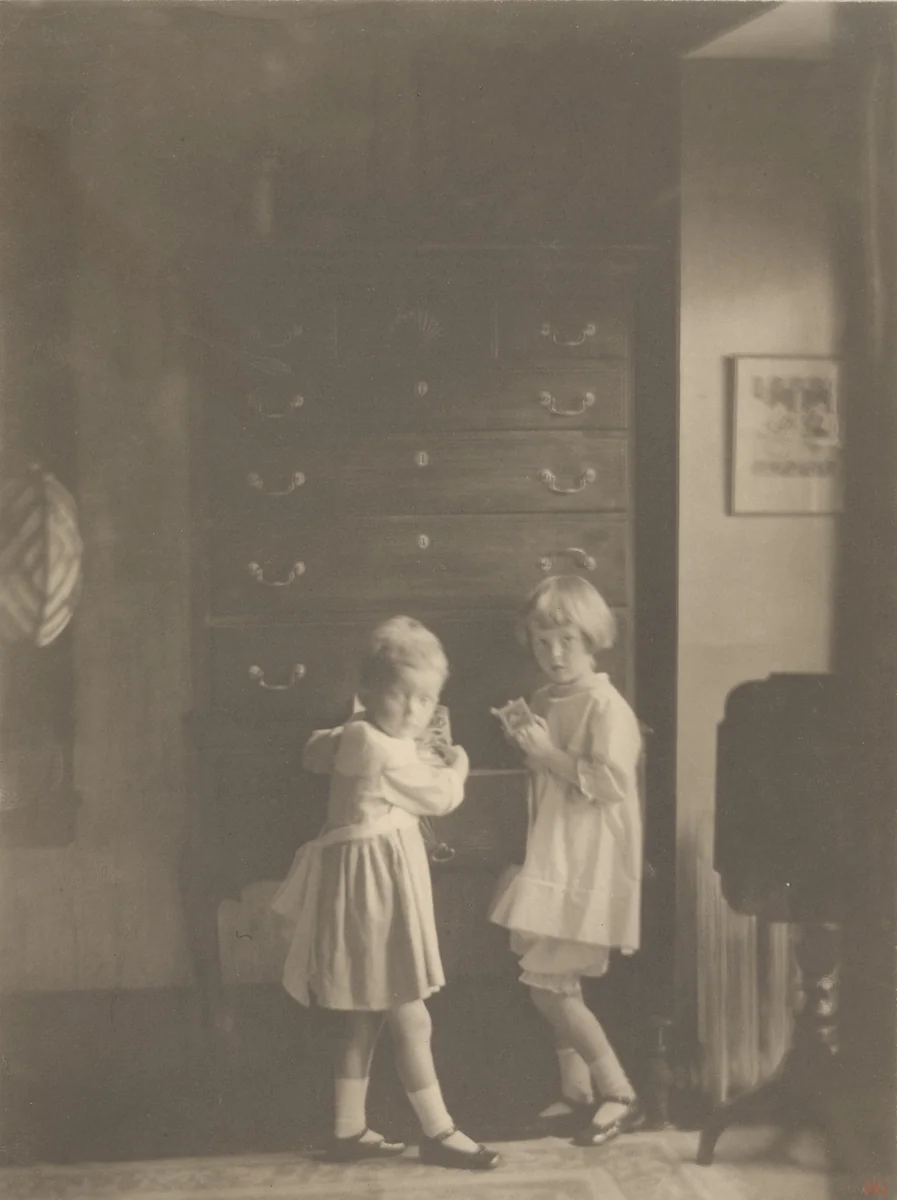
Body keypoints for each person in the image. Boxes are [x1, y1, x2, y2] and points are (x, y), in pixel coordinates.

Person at [272, 616, 501, 1171]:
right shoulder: (384, 750)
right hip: (377, 889)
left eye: (426, 700)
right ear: (369, 690)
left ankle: (347, 1128)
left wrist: (352, 729)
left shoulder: (354, 733)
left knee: (361, 1013)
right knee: (410, 1013)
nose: (414, 711)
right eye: (401, 695)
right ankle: (438, 1130)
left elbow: (314, 752)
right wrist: (460, 766)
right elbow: (440, 798)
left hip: (360, 885)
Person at [490, 575, 644, 1147]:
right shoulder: (543, 699)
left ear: (592, 639)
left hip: (587, 855)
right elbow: (546, 772)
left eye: (567, 641)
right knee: (557, 979)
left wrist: (549, 753)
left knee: (548, 986)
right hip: (551, 847)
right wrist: (527, 745)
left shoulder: (606, 705)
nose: (554, 654)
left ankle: (619, 1092)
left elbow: (610, 784)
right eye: (542, 642)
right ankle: (576, 1089)